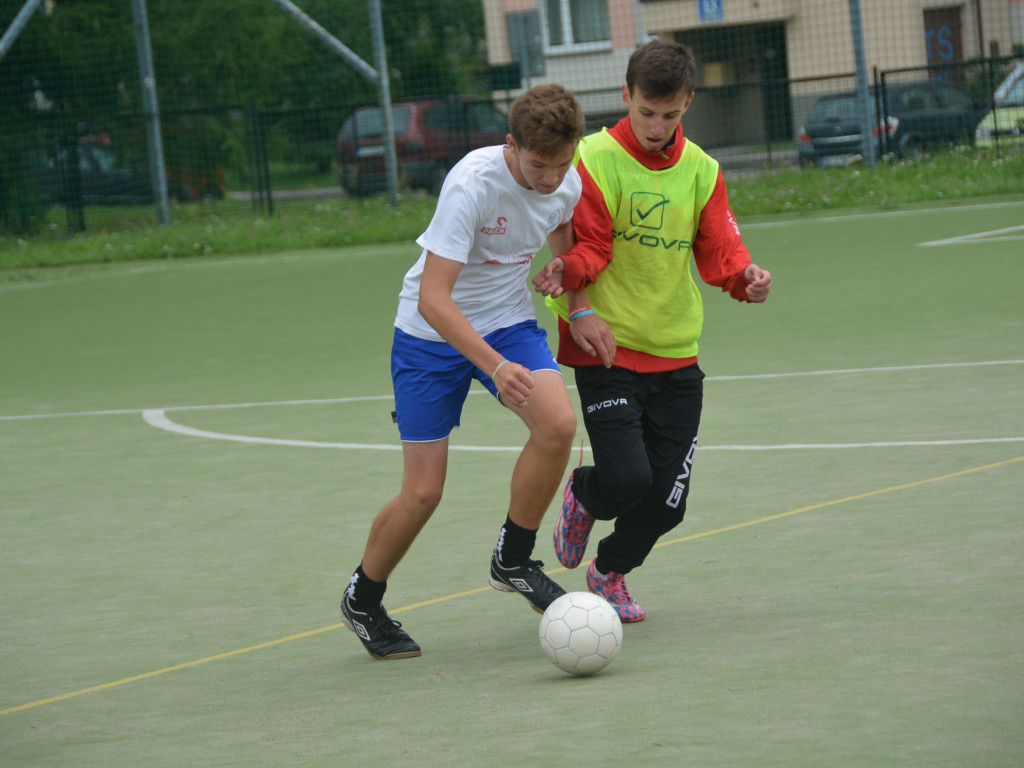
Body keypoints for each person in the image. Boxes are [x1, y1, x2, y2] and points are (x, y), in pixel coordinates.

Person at [340, 84, 586, 660]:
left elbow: (561, 227)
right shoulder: (472, 185)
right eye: (538, 164)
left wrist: (566, 273)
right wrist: (495, 367)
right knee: (423, 492)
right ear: (511, 145)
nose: (551, 178)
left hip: (506, 320)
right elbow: (433, 298)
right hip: (430, 337)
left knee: (557, 425)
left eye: (562, 164)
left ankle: (513, 558)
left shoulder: (566, 181)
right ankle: (363, 597)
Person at [532, 40, 773, 623]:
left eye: (670, 115)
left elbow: (720, 249)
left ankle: (610, 571)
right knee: (628, 478)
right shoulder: (589, 158)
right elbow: (590, 244)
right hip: (606, 349)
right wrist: (567, 274)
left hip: (676, 355)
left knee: (669, 502)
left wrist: (746, 278)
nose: (657, 126)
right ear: (626, 97)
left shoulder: (702, 171)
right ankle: (586, 493)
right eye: (646, 112)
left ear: (687, 102)